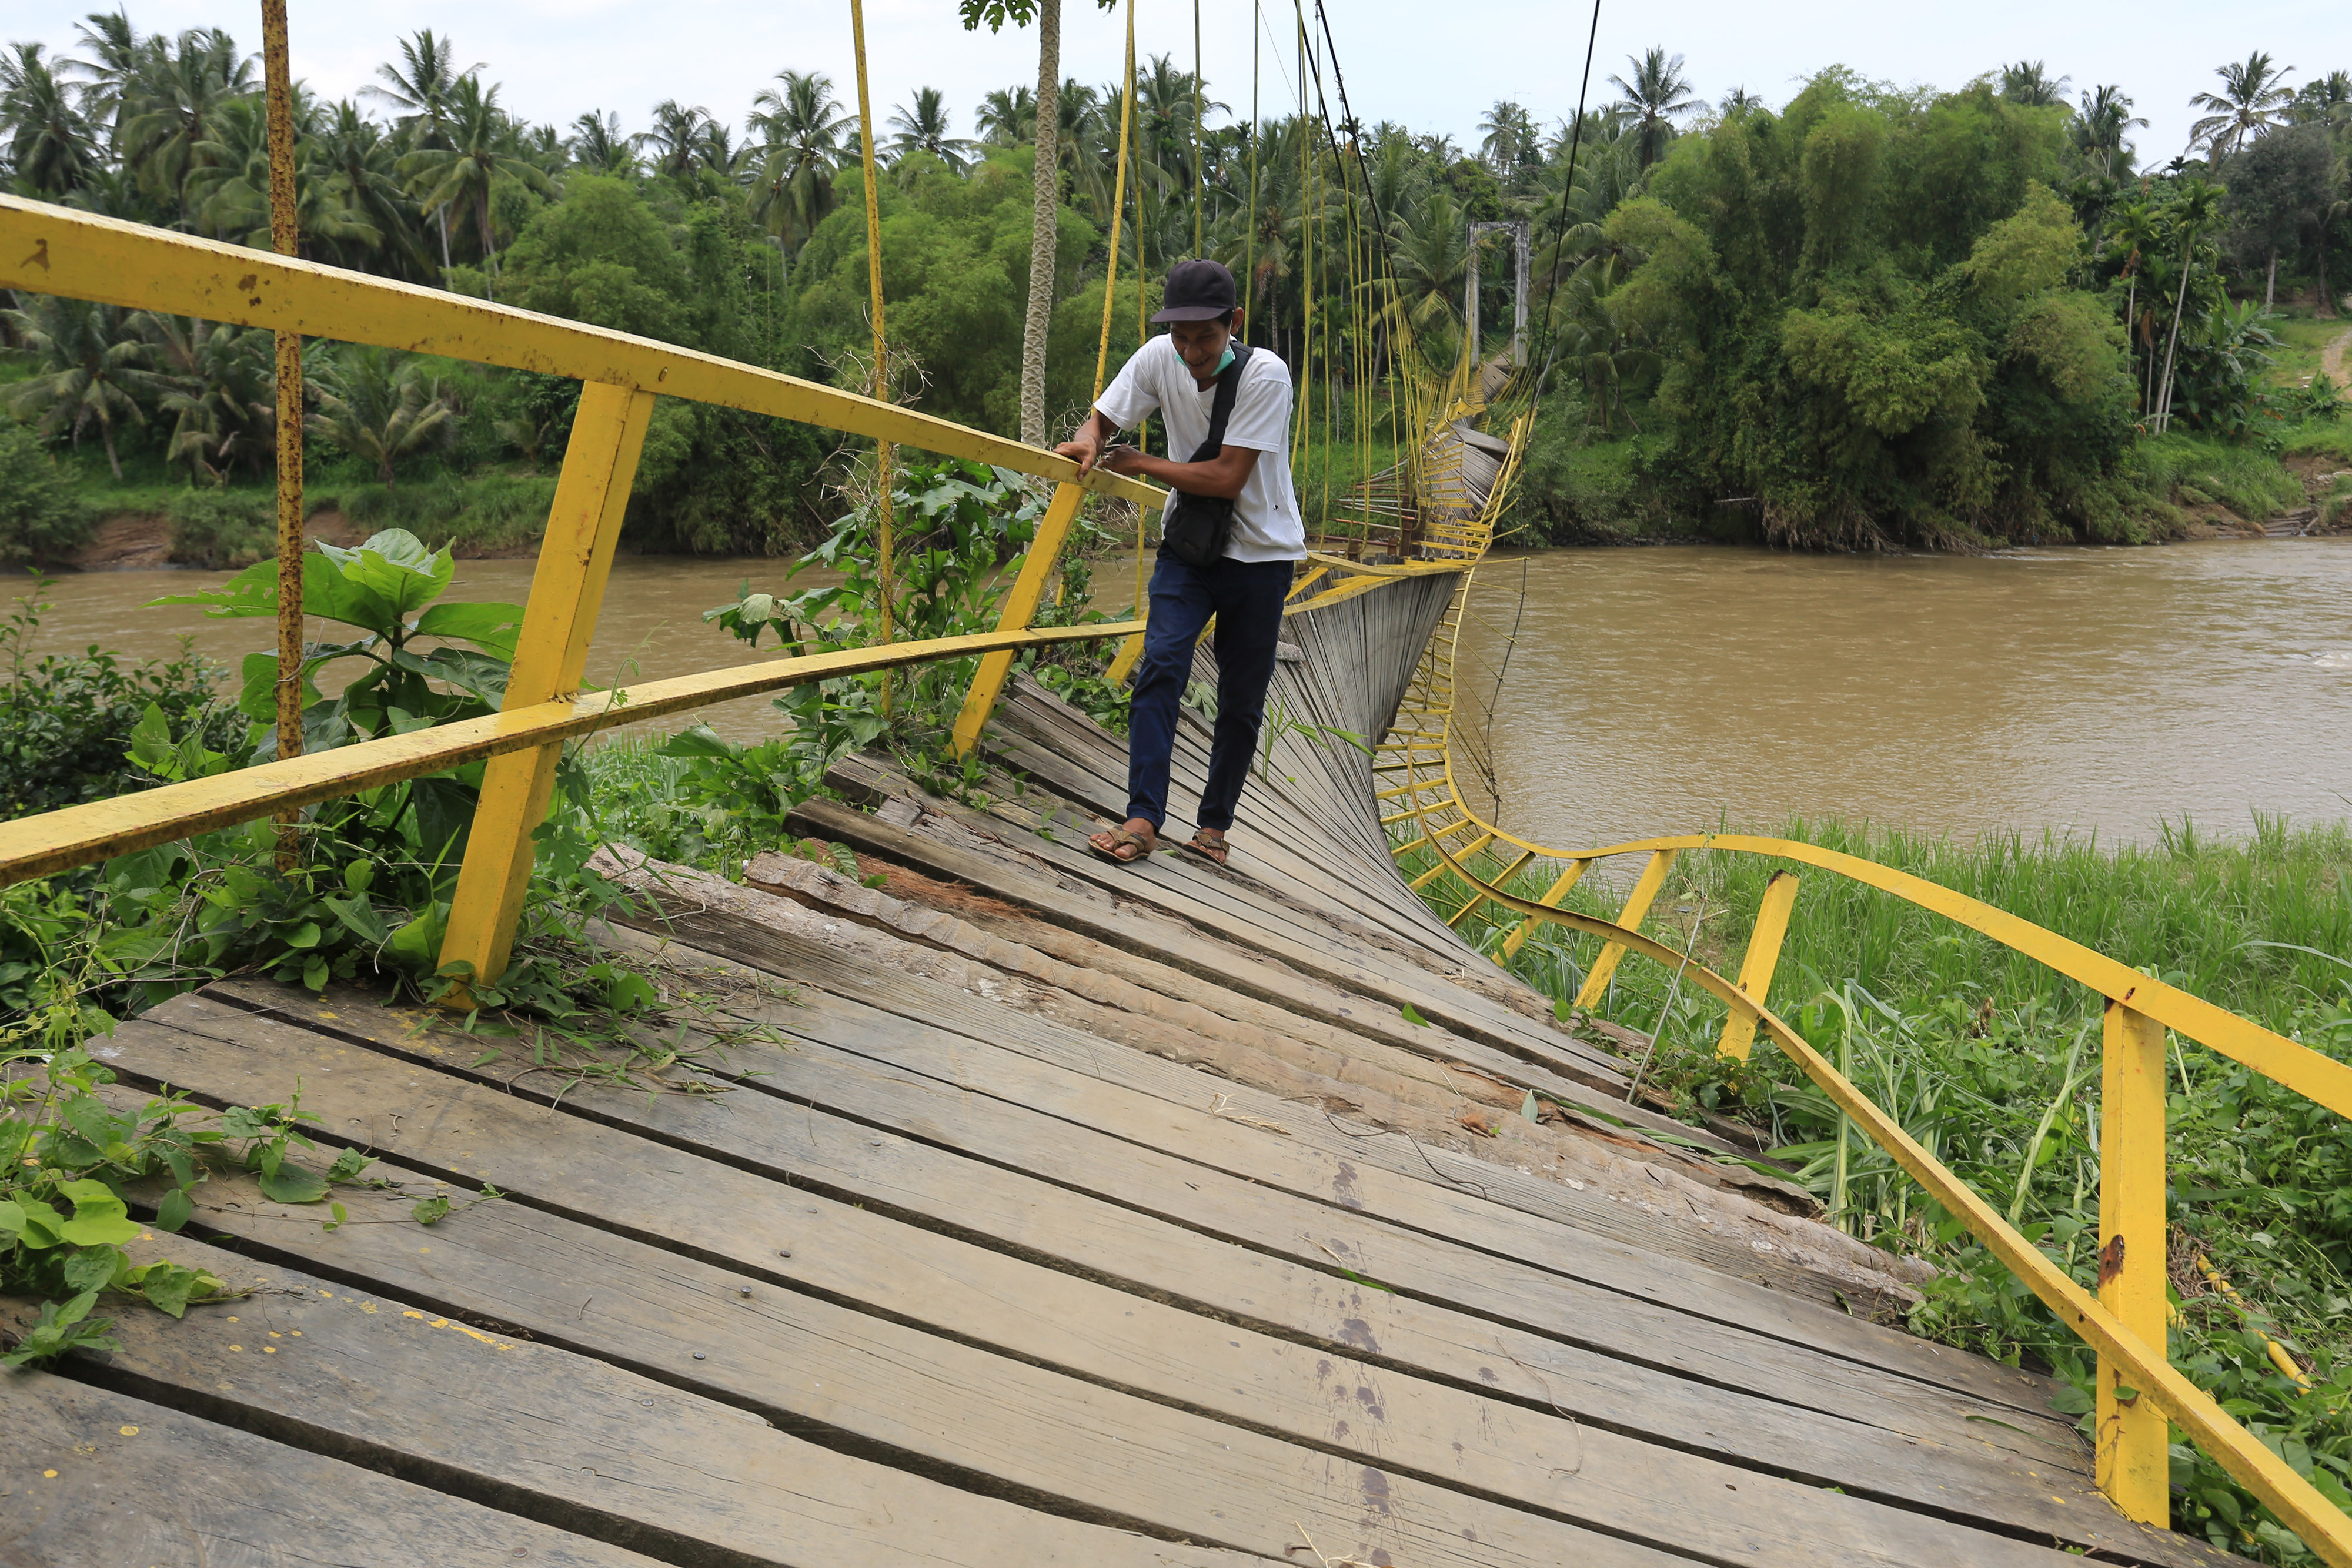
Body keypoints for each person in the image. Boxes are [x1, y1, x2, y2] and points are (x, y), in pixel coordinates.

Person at [1058, 258, 1304, 869]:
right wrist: (1090, 438)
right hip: (1190, 551)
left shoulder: (1266, 377)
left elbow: (1227, 477)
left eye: (1206, 337)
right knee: (1161, 664)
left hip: (1261, 557)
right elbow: (1105, 416)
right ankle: (1142, 818)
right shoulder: (1155, 358)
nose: (1192, 352)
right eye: (1182, 337)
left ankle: (1213, 827)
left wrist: (1138, 464)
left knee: (1240, 700)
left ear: (1235, 324)